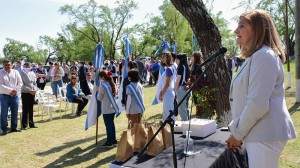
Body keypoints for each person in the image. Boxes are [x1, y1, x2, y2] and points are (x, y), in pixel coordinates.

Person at [225, 9, 297, 168]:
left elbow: (257, 103)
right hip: (259, 134)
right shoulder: (257, 56)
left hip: (264, 135)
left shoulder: (264, 56)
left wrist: (237, 134)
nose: (235, 30)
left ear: (257, 29)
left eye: (241, 25)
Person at [0, 60, 23, 135]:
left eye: (8, 65)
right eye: (5, 65)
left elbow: (20, 82)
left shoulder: (15, 72)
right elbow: (0, 85)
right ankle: (4, 128)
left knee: (14, 111)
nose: (7, 66)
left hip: (15, 95)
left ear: (12, 65)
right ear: (3, 65)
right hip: (4, 95)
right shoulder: (0, 73)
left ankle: (14, 127)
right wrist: (10, 90)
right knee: (4, 112)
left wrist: (15, 90)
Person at [97, 71, 118, 147]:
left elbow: (99, 98)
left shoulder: (103, 85)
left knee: (108, 126)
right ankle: (114, 140)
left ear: (103, 77)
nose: (99, 79)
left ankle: (109, 142)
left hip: (106, 108)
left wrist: (98, 91)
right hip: (112, 107)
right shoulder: (112, 83)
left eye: (99, 77)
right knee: (112, 125)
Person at [19, 62, 38, 129]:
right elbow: (21, 84)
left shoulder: (32, 73)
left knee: (31, 109)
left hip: (32, 93)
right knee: (25, 109)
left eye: (28, 66)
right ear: (23, 66)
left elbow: (35, 83)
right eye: (26, 66)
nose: (27, 67)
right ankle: (24, 125)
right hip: (25, 93)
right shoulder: (21, 73)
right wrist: (29, 90)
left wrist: (35, 90)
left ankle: (31, 123)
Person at [158, 51, 176, 121]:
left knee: (168, 114)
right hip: (168, 92)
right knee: (168, 113)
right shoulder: (170, 68)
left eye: (164, 57)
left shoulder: (169, 69)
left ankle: (170, 130)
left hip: (167, 93)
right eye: (162, 57)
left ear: (168, 58)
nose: (162, 59)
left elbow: (167, 84)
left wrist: (161, 94)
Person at [174, 53, 190, 121]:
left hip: (181, 89)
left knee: (182, 110)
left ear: (180, 59)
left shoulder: (180, 67)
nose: (176, 61)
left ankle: (185, 126)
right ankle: (188, 123)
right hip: (187, 88)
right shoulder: (186, 66)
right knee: (186, 108)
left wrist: (174, 91)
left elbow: (177, 81)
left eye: (177, 59)